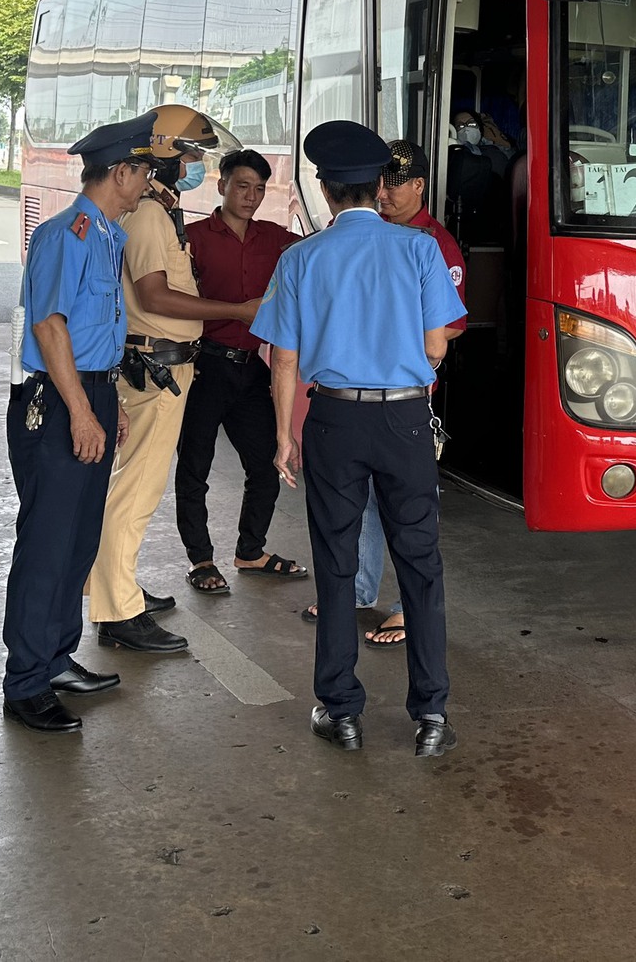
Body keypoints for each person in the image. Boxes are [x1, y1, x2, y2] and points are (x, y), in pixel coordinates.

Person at [253, 120, 466, 757]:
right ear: (379, 186)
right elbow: (436, 346)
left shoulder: (300, 258)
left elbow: (283, 361)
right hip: (403, 419)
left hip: (334, 421)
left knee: (338, 564)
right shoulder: (419, 249)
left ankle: (340, 711)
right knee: (420, 565)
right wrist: (400, 385)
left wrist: (285, 440)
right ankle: (430, 716)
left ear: (324, 188)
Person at [86, 105, 264, 655]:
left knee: (138, 488)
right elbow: (154, 295)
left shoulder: (157, 212)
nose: (192, 165)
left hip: (166, 367)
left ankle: (120, 586)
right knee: (135, 492)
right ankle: (118, 613)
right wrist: (235, 309)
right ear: (160, 158)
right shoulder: (146, 218)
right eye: (187, 155)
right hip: (155, 371)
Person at [0, 114, 156, 733]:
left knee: (79, 539)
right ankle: (26, 682)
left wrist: (105, 399)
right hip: (57, 401)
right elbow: (50, 326)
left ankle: (56, 657)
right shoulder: (69, 234)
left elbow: (96, 335)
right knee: (47, 543)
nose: (147, 183)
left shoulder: (108, 235)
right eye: (142, 172)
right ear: (120, 172)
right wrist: (83, 411)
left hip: (88, 389)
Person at [298, 139, 467, 648]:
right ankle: (359, 591)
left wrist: (387, 342)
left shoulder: (432, 243)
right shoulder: (350, 233)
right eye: (383, 184)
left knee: (411, 516)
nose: (387, 194)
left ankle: (402, 607)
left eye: (397, 184)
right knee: (364, 506)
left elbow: (450, 327)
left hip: (404, 395)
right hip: (353, 395)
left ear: (418, 185)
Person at [174, 147, 305, 594]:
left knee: (267, 465)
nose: (251, 196)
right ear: (222, 185)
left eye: (260, 189)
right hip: (204, 366)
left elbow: (323, 251)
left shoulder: (276, 238)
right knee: (195, 467)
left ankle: (250, 551)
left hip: (252, 370)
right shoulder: (191, 238)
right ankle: (201, 560)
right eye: (243, 186)